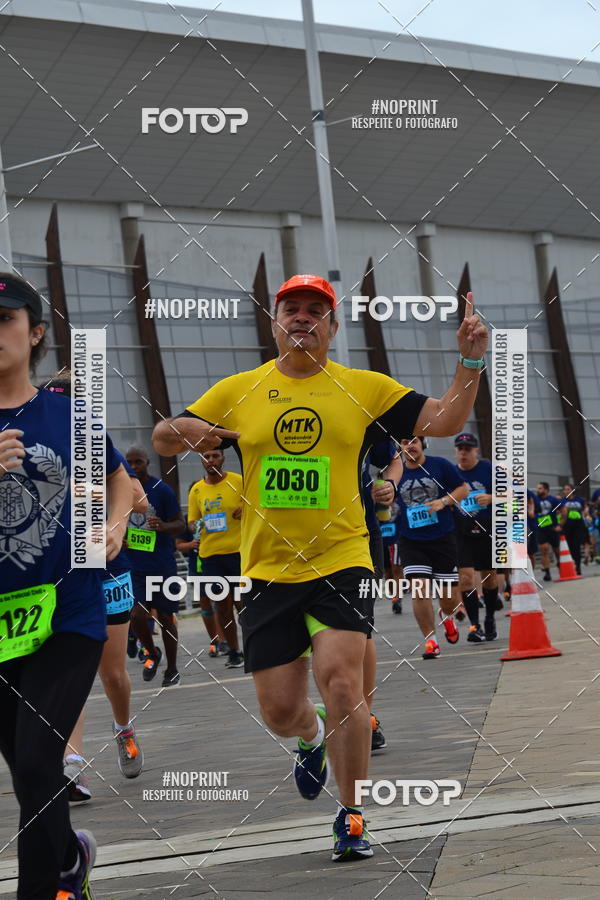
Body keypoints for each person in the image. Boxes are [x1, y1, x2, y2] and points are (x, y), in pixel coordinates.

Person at [151, 274, 488, 861]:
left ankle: (352, 813)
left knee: (341, 681)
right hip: (266, 571)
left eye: (316, 311)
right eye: (292, 309)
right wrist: (196, 430)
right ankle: (309, 739)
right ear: (274, 322)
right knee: (281, 710)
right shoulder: (239, 389)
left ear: (332, 327)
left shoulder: (363, 387)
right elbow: (161, 437)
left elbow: (442, 419)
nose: (303, 318)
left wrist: (468, 361)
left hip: (342, 559)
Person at [0, 272, 131, 897]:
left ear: (36, 334)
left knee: (36, 759)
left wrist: (113, 524)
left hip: (68, 611)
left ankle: (43, 889)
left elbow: (118, 482)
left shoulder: (67, 415)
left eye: (5, 321)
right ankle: (70, 860)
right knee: (27, 773)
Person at [37, 374, 147, 801]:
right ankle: (73, 764)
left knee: (112, 670)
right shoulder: (42, 449)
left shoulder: (99, 446)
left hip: (108, 567)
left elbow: (138, 498)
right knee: (70, 668)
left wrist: (109, 507)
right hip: (62, 572)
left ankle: (123, 728)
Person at [396, 436, 469, 657]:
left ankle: (446, 616)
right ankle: (431, 640)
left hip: (442, 538)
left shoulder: (440, 465)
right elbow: (385, 496)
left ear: (422, 444)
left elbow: (463, 489)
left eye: (415, 441)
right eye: (405, 441)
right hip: (410, 539)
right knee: (419, 589)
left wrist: (443, 502)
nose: (410, 445)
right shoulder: (394, 472)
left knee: (449, 599)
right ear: (399, 447)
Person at [125, 446, 186, 686]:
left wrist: (162, 525)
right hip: (135, 566)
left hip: (162, 565)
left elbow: (180, 524)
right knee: (136, 615)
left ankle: (171, 669)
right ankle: (152, 652)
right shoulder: (121, 490)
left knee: (166, 617)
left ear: (147, 462)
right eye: (129, 462)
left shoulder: (161, 490)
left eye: (138, 461)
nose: (133, 466)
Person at [361, 443, 403, 753]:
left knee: (358, 627)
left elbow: (392, 458)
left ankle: (363, 717)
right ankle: (309, 724)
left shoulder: (356, 406)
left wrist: (389, 484)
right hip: (283, 542)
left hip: (357, 535)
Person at [187, 448, 244, 668]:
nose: (210, 460)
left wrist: (245, 508)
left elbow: (256, 506)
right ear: (202, 460)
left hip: (237, 552)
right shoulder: (197, 491)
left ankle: (253, 646)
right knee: (222, 606)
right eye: (206, 457)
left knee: (243, 604)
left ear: (223, 458)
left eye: (215, 456)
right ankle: (234, 651)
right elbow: (192, 520)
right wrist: (195, 525)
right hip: (211, 556)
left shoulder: (238, 481)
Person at [453, 433, 502, 643]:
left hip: (487, 527)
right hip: (461, 530)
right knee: (465, 578)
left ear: (476, 451)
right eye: (460, 448)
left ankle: (490, 618)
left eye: (467, 448)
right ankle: (475, 625)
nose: (463, 452)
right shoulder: (451, 472)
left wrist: (492, 498)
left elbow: (514, 495)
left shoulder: (488, 469)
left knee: (489, 577)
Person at [559, 484, 588, 576]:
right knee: (570, 547)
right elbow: (558, 512)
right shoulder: (562, 501)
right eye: (565, 489)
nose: (567, 491)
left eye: (568, 489)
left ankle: (578, 566)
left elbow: (585, 507)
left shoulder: (579, 500)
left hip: (578, 525)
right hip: (567, 526)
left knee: (577, 546)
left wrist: (586, 511)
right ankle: (572, 565)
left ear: (572, 490)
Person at [535, 482, 562, 580]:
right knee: (544, 550)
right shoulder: (535, 499)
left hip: (553, 528)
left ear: (546, 490)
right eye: (538, 488)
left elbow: (563, 510)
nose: (538, 490)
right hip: (540, 528)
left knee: (557, 551)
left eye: (540, 488)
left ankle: (561, 567)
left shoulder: (553, 500)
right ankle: (547, 573)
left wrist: (560, 525)